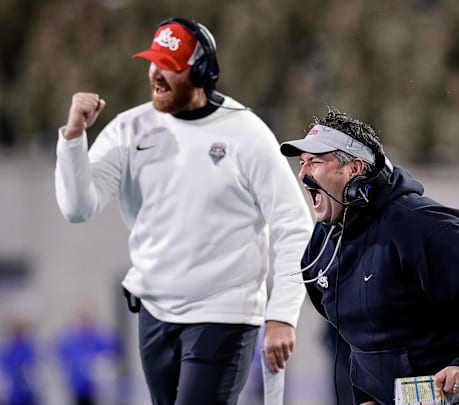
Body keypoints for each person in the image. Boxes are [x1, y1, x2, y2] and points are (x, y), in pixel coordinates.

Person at [54, 17, 313, 405]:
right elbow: (78, 207)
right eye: (152, 62)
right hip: (155, 313)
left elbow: (294, 226)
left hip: (224, 313)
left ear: (202, 72)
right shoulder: (130, 129)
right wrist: (73, 139)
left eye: (169, 65)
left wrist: (282, 314)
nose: (156, 73)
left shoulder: (247, 134)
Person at [280, 108, 459, 405]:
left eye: (316, 162)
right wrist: (371, 396)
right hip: (430, 384)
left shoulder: (419, 224)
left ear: (355, 169)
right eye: (303, 163)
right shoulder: (323, 246)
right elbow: (363, 337)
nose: (303, 173)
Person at [56, 312, 122, 405]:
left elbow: (114, 351)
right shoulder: (70, 340)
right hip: (77, 387)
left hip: (96, 388)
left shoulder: (100, 337)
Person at [0, 321, 38, 405]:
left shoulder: (28, 347)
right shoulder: (9, 349)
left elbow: (34, 366)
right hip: (15, 393)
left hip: (28, 392)